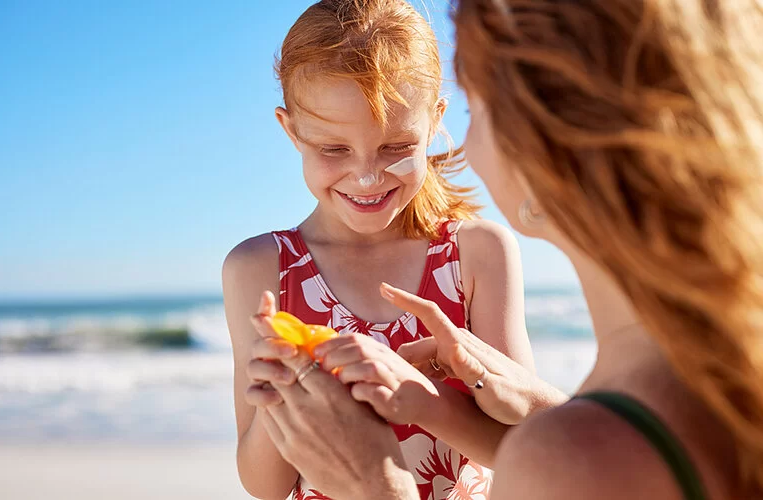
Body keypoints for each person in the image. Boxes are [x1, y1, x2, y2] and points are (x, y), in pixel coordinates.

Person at [245, 0, 763, 499]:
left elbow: (567, 457)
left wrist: (376, 488)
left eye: (480, 103)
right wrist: (508, 409)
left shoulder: (575, 455)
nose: (464, 144)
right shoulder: (704, 373)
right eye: (335, 148)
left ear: (539, 141)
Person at [221, 1, 538, 498]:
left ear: (433, 122)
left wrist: (415, 400)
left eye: (395, 147)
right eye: (334, 149)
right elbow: (265, 485)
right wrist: (280, 395)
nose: (367, 176)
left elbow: (524, 449)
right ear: (291, 130)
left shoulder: (476, 253)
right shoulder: (260, 268)